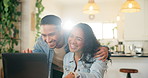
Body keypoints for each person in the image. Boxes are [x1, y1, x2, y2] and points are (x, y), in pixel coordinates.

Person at [23, 15, 109, 78]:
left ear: (62, 31)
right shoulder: (41, 42)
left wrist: (105, 49)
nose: (48, 40)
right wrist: (30, 57)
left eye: (52, 34)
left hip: (75, 73)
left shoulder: (71, 36)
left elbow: (91, 42)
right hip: (54, 72)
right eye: (44, 35)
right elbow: (37, 56)